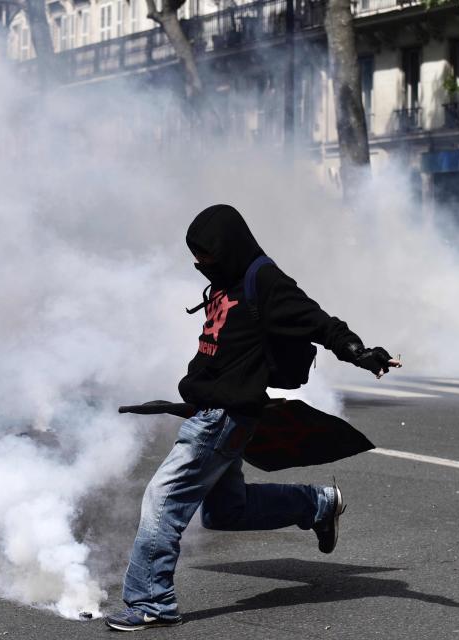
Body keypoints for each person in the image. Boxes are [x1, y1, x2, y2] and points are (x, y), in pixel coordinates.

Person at [105, 204, 400, 632]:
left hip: (222, 418)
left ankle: (151, 601)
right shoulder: (227, 282)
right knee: (225, 511)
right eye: (196, 257)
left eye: (206, 255)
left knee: (162, 499)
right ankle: (319, 505)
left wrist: (361, 353)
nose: (200, 264)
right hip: (213, 411)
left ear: (227, 247)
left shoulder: (264, 280)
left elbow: (319, 322)